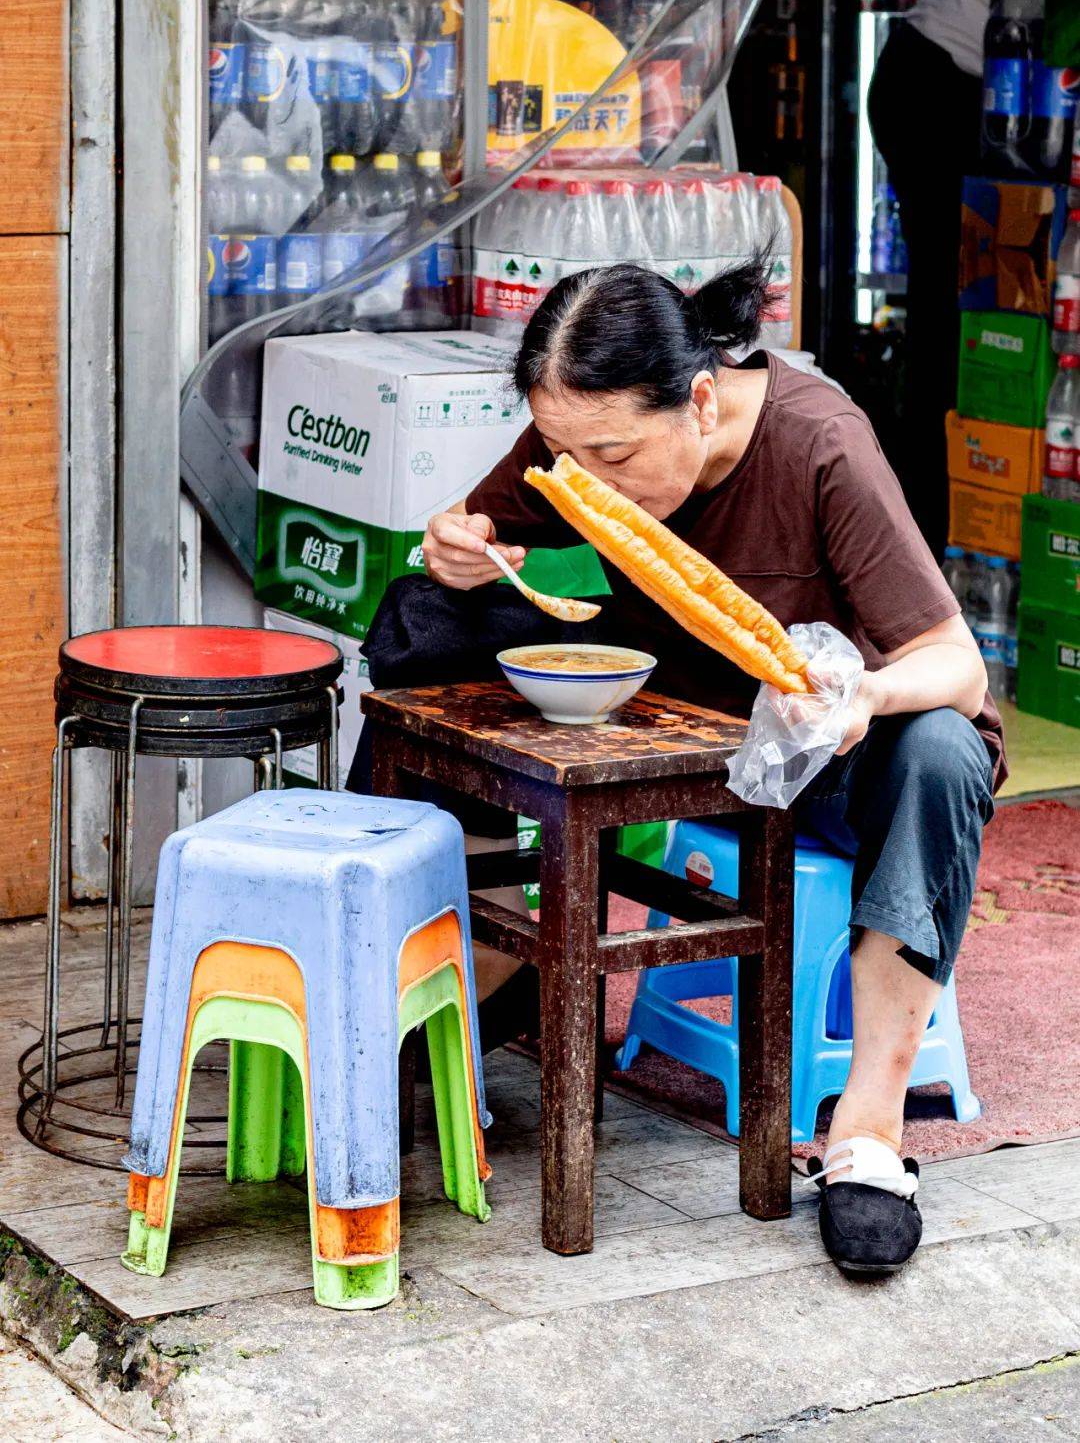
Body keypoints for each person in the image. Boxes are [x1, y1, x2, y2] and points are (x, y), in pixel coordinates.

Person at [355, 256, 1002, 1279]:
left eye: (611, 455)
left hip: (821, 743)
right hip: (675, 696)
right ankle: (486, 967)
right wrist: (457, 544)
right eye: (566, 453)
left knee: (942, 752)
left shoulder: (820, 443)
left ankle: (867, 1136)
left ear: (700, 399)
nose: (586, 481)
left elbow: (958, 665)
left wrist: (861, 696)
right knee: (420, 621)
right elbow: (478, 528)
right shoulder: (584, 430)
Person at [868, 0, 1080, 558]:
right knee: (957, 302)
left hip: (973, 87)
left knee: (965, 301)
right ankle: (927, 520)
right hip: (941, 82)